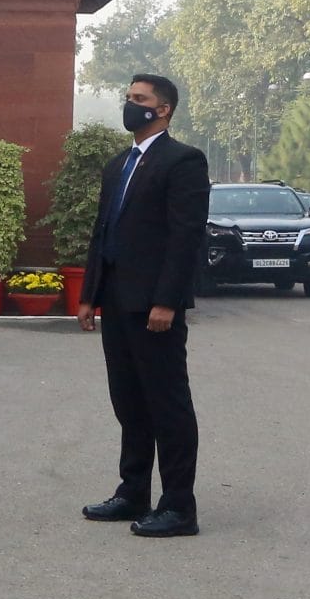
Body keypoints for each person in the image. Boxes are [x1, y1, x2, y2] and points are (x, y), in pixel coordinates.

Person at [75, 74, 211, 537]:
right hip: (117, 299)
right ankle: (133, 492)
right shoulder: (119, 164)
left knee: (167, 404)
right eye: (128, 97)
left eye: (140, 98)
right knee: (128, 401)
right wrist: (89, 294)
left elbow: (185, 237)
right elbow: (103, 232)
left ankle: (179, 507)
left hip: (154, 306)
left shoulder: (183, 161)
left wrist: (167, 300)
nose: (130, 104)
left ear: (163, 109)